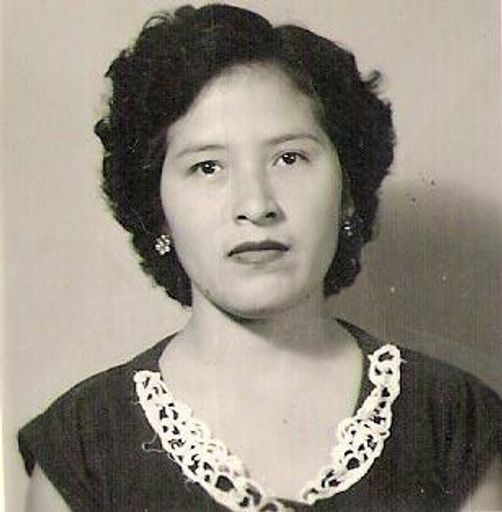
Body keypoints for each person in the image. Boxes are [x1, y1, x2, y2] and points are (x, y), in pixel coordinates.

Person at [18, 4, 502, 511]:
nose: (256, 205)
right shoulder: (83, 446)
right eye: (207, 167)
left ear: (347, 193)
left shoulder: (453, 422)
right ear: (157, 211)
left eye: (289, 158)